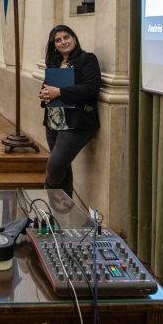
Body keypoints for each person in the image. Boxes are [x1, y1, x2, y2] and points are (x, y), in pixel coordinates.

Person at [38, 25, 100, 198]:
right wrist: (44, 95)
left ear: (74, 38)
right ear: (54, 45)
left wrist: (59, 92)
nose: (63, 42)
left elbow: (91, 89)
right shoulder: (54, 63)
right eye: (58, 40)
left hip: (77, 122)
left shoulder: (87, 59)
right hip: (53, 121)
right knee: (63, 167)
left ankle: (47, 199)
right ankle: (64, 211)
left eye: (66, 37)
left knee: (55, 165)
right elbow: (47, 87)